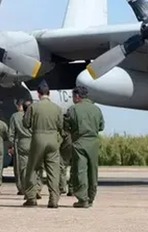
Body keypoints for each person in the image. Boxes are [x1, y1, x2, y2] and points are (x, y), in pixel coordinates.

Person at [22, 80, 63, 208]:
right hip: (53, 139)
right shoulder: (57, 108)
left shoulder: (34, 107)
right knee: (53, 170)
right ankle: (54, 199)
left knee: (32, 168)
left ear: (38, 94)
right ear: (49, 93)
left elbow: (26, 124)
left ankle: (31, 198)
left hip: (38, 138)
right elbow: (61, 126)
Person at [65, 85, 104, 208]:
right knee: (93, 170)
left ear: (77, 97)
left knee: (80, 170)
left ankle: (82, 199)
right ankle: (91, 197)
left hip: (79, 142)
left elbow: (66, 125)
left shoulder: (73, 109)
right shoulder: (97, 109)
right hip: (93, 142)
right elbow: (101, 126)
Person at [7, 99, 31, 196]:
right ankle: (35, 187)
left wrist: (11, 145)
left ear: (18, 106)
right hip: (33, 142)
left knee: (20, 167)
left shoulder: (15, 116)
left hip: (20, 143)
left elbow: (11, 132)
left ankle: (22, 188)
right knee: (34, 166)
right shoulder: (33, 115)